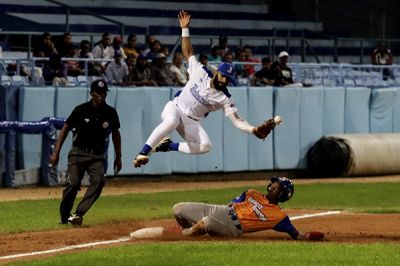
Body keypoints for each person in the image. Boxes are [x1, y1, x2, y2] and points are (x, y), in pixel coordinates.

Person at [132, 10, 280, 168]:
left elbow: (237, 122)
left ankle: (167, 146)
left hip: (191, 122)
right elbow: (188, 52)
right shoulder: (201, 71)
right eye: (223, 76)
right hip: (175, 108)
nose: (225, 80)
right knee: (171, 121)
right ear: (217, 72)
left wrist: (254, 130)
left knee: (206, 146)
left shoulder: (224, 98)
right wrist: (185, 29)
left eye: (228, 78)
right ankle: (143, 152)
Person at [49, 79, 122, 226]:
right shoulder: (81, 110)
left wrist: (118, 156)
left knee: (99, 181)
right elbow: (65, 129)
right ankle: (65, 217)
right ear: (91, 93)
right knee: (73, 184)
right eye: (99, 93)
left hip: (97, 156)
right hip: (78, 153)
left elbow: (116, 134)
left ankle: (78, 213)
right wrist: (56, 153)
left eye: (104, 93)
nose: (102, 96)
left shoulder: (110, 112)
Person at [172, 176, 324, 241]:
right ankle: (190, 235)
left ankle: (181, 237)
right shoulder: (252, 193)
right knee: (178, 209)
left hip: (234, 228)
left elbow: (296, 234)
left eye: (276, 188)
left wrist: (308, 236)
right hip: (221, 211)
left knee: (205, 223)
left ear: (283, 195)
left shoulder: (279, 217)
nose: (271, 187)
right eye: (272, 184)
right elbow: (231, 204)